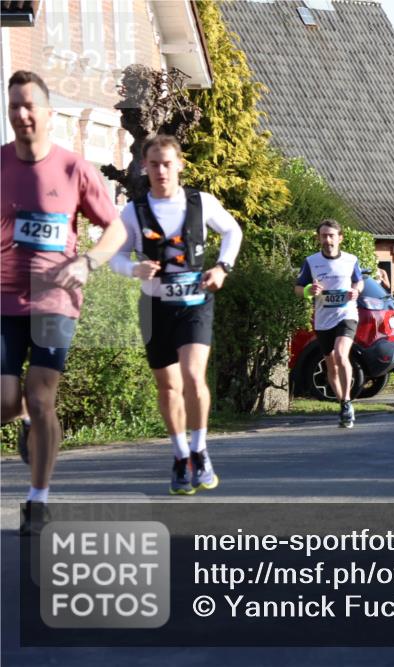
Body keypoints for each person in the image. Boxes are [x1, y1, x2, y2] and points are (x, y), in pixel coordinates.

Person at [2, 71, 128, 533]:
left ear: (49, 114)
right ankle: (26, 421)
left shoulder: (75, 169)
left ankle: (38, 500)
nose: (21, 114)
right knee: (7, 399)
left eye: (30, 105)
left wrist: (88, 262)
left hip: (56, 299)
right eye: (14, 105)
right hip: (4, 301)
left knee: (40, 396)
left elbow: (115, 229)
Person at [111, 134, 243, 494]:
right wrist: (132, 269)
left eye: (167, 163)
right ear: (144, 167)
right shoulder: (133, 211)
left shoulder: (201, 202)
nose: (161, 171)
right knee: (168, 385)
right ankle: (180, 455)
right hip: (155, 307)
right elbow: (115, 255)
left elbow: (232, 230)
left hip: (195, 303)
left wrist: (222, 268)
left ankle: (200, 450)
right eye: (154, 164)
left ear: (180, 165)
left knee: (191, 375)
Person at [295, 220, 364, 428]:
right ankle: (343, 402)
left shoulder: (351, 260)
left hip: (347, 314)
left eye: (331, 235)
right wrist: (309, 291)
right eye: (324, 236)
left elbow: (358, 281)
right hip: (323, 319)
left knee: (341, 354)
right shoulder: (311, 262)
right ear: (319, 238)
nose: (327, 240)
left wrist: (356, 290)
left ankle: (349, 400)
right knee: (330, 362)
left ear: (340, 238)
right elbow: (298, 288)